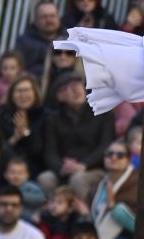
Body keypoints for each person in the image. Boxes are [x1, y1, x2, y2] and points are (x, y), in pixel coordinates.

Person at [39, 73, 114, 202]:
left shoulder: (103, 111)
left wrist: (83, 165)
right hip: (65, 168)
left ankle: (89, 216)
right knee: (45, 178)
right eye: (68, 87)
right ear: (60, 96)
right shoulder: (53, 119)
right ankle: (56, 213)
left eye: (77, 85)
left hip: (94, 168)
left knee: (78, 179)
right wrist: (61, 168)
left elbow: (105, 145)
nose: (76, 90)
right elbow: (50, 152)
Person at [14, 0, 68, 79]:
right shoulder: (24, 42)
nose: (49, 20)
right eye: (44, 17)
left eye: (52, 16)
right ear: (35, 20)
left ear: (58, 18)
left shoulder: (70, 39)